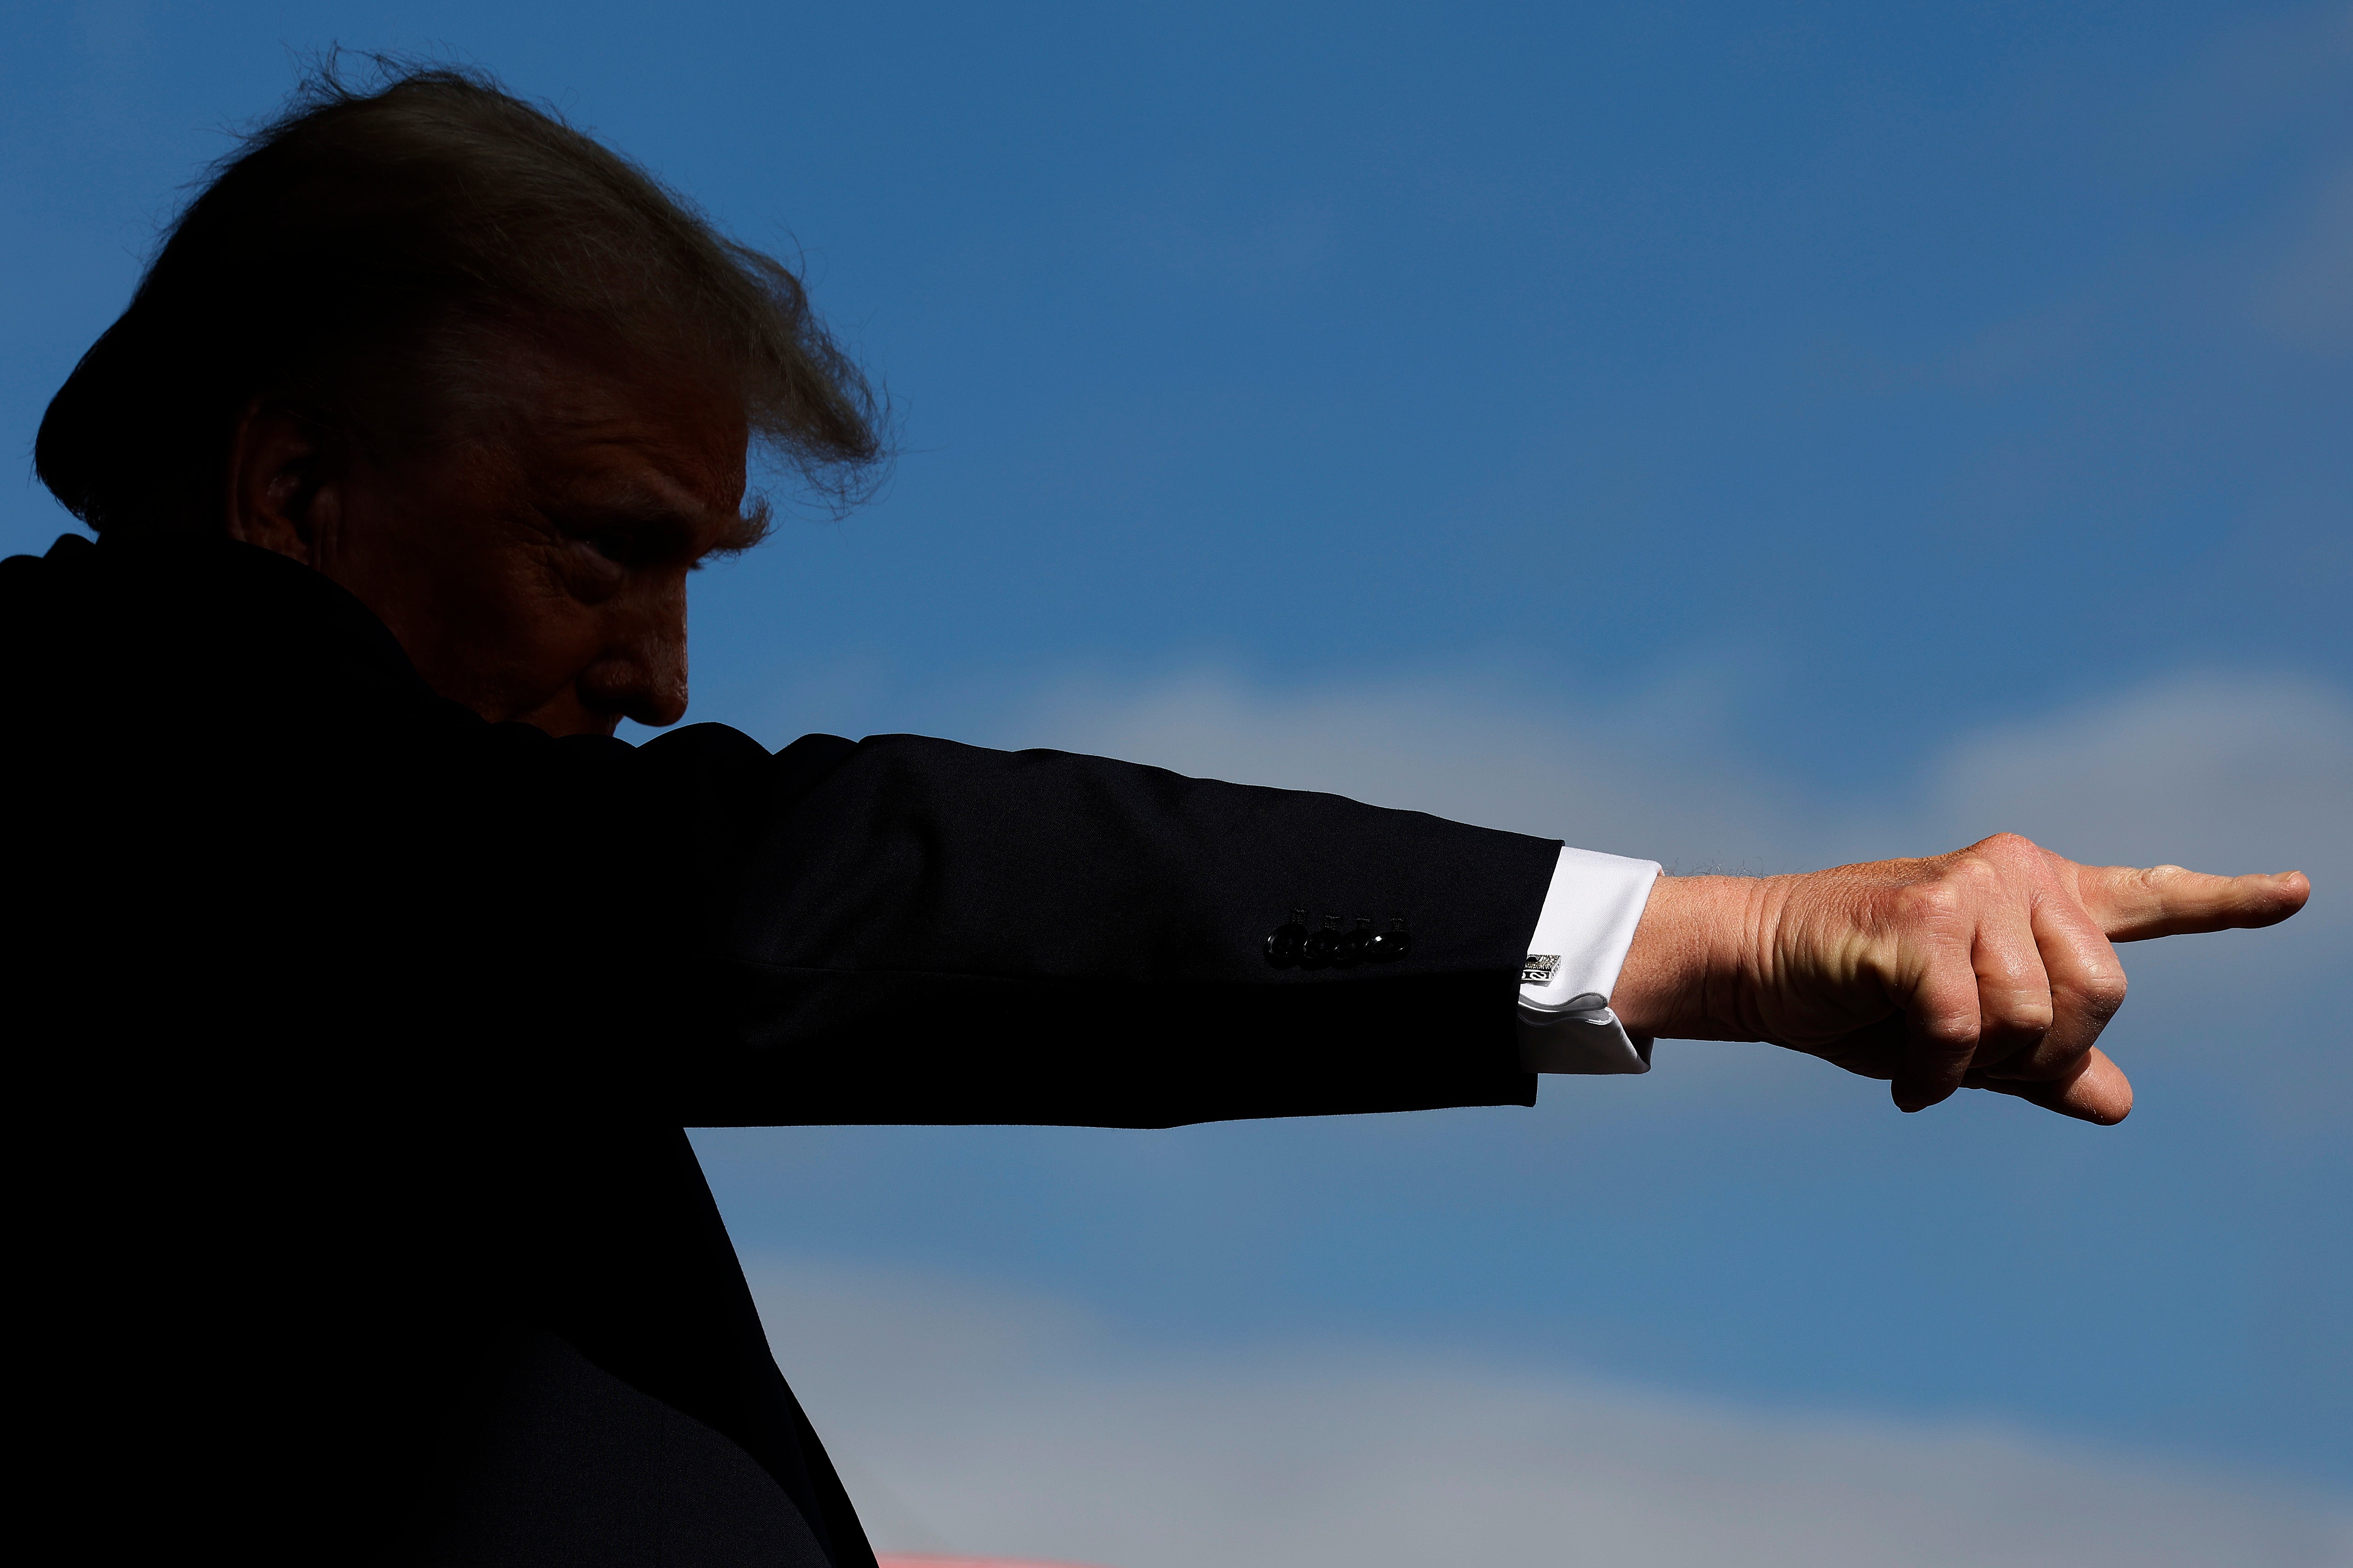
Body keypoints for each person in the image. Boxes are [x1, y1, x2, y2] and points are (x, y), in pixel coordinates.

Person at [4, 64, 2306, 1568]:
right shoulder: (135, 728)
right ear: (292, 492)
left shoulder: (377, 959)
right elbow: (807, 887)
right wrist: (1705, 940)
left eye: (696, 575)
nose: (662, 676)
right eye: (601, 550)